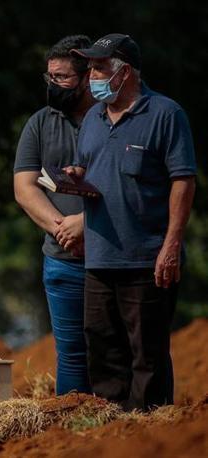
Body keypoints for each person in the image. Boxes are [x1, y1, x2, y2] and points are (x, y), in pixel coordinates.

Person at [65, 34, 196, 410]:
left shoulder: (166, 114)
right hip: (99, 257)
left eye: (100, 67)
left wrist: (170, 247)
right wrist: (76, 175)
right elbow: (93, 170)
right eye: (90, 67)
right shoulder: (92, 117)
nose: (92, 74)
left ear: (125, 73)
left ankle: (148, 430)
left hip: (146, 259)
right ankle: (111, 430)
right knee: (102, 349)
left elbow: (183, 181)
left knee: (147, 356)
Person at [14, 35, 95, 395]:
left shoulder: (112, 119)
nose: (53, 85)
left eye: (61, 77)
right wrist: (63, 230)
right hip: (62, 260)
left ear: (87, 75)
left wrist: (87, 229)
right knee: (72, 357)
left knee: (118, 352)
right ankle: (75, 431)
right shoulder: (39, 123)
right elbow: (25, 188)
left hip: (113, 259)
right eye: (49, 77)